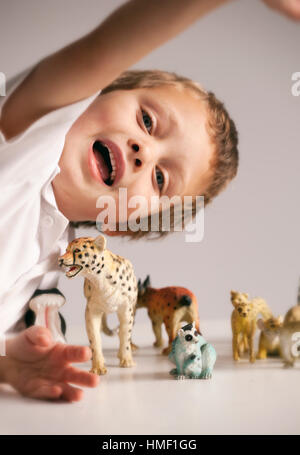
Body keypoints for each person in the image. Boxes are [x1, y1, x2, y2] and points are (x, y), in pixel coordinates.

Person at [0, 0, 299, 402]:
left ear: (126, 222)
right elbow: (101, 49)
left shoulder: (52, 269)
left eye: (160, 179)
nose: (144, 153)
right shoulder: (25, 137)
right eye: (147, 120)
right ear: (97, 89)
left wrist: (8, 364)